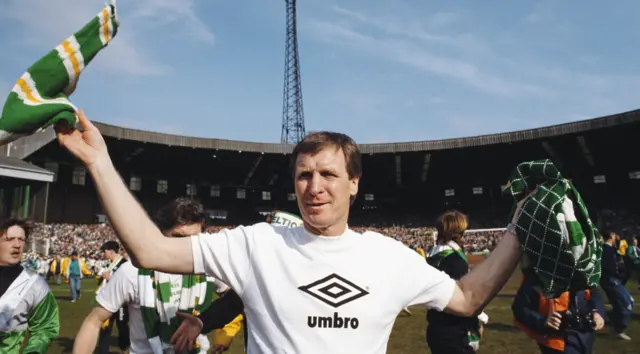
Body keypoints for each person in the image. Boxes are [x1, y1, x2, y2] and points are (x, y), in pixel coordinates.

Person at [58, 110, 529, 353]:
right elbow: (150, 249)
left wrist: (519, 223)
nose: (314, 187)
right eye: (304, 175)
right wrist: (99, 161)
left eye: (328, 175)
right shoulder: (256, 244)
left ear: (354, 184)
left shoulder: (389, 257)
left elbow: (467, 299)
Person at [73, 198, 217, 354]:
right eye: (179, 237)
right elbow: (94, 321)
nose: (187, 245)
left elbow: (235, 299)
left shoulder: (208, 266)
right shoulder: (132, 271)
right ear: (160, 234)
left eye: (194, 239)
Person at [426, 210, 488, 353]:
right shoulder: (454, 259)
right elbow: (462, 297)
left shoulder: (434, 255)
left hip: (436, 326)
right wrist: (477, 322)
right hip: (454, 330)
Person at [0, 219, 59, 353]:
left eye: (21, 239)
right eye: (9, 239)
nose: (17, 245)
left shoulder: (35, 284)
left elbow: (45, 328)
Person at [512, 274, 605, 353]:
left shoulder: (583, 265)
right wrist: (543, 321)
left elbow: (595, 292)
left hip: (585, 335)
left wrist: (597, 312)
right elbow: (519, 308)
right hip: (556, 339)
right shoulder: (537, 272)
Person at [96, 240, 130, 354]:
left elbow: (127, 282)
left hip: (121, 302)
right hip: (108, 301)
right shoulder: (109, 264)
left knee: (122, 326)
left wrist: (110, 278)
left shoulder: (125, 263)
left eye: (104, 252)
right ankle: (103, 350)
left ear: (110, 251)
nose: (103, 254)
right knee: (105, 327)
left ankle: (125, 347)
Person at [600, 230, 633, 340]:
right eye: (615, 235)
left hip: (614, 281)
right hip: (611, 281)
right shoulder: (605, 249)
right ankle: (618, 329)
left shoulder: (611, 249)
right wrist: (619, 272)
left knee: (629, 303)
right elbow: (610, 267)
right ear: (611, 236)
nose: (617, 237)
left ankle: (611, 322)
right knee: (626, 306)